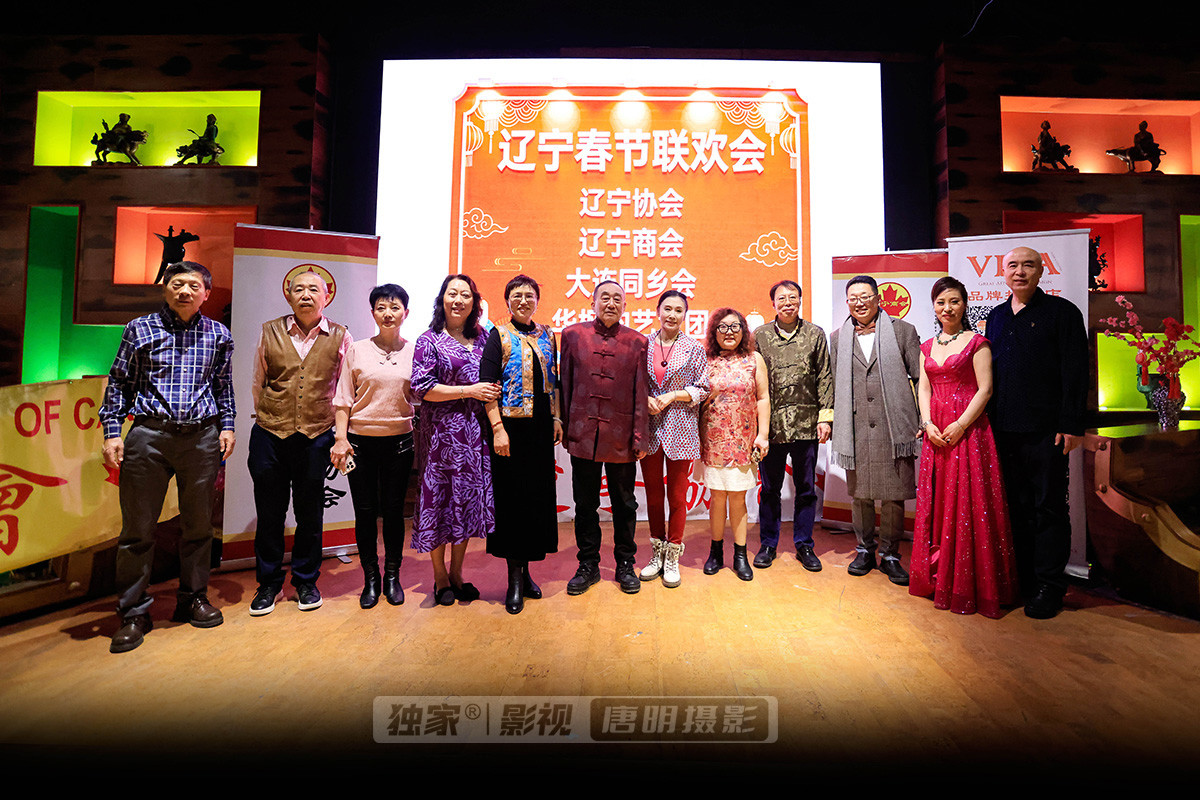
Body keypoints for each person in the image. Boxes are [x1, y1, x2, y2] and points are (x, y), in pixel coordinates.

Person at [100, 261, 235, 653]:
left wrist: (227, 426)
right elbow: (119, 383)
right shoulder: (139, 329)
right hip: (149, 437)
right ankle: (134, 613)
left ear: (206, 294)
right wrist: (112, 432)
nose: (185, 291)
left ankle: (192, 598)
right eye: (177, 284)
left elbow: (223, 387)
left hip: (202, 438)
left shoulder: (219, 334)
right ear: (165, 289)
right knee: (138, 530)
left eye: (194, 285)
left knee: (198, 526)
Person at [986, 246, 1088, 619]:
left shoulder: (1063, 313)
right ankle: (1024, 580)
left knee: (1049, 507)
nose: (1020, 271)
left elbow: (1076, 371)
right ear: (1003, 272)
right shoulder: (996, 317)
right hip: (1003, 430)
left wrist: (1071, 424)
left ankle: (1049, 585)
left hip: (1047, 432)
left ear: (1042, 271)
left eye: (1028, 265)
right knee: (1015, 507)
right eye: (1012, 265)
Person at [910, 277, 1018, 617]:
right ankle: (939, 575)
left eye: (954, 301)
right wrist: (927, 423)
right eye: (941, 302)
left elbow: (985, 390)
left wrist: (960, 425)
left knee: (968, 503)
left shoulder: (978, 343)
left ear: (964, 304)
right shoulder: (927, 346)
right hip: (936, 433)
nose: (948, 308)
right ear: (934, 307)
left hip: (968, 432)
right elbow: (923, 388)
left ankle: (970, 583)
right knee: (940, 501)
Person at [248, 269, 351, 616]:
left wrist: (339, 435)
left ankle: (306, 580)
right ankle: (268, 583)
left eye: (313, 290)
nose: (306, 295)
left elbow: (343, 389)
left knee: (310, 514)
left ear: (326, 297)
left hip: (316, 436)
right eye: (299, 289)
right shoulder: (269, 331)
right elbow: (258, 382)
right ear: (288, 295)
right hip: (269, 434)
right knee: (269, 513)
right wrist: (271, 416)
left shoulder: (341, 336)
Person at [411, 273, 499, 606]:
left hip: (475, 434)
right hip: (441, 437)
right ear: (442, 299)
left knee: (465, 502)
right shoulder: (429, 340)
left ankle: (457, 573)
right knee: (439, 502)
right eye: (453, 293)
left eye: (466, 294)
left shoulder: (484, 337)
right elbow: (422, 388)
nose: (459, 300)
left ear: (474, 302)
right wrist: (468, 391)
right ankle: (439, 576)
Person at [830, 275, 921, 587]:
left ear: (878, 298)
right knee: (861, 494)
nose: (860, 303)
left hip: (894, 425)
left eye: (865, 296)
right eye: (853, 298)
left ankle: (891, 554)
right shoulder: (838, 338)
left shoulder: (903, 331)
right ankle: (864, 550)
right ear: (847, 302)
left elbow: (920, 378)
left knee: (893, 495)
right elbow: (834, 383)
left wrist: (922, 419)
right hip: (855, 426)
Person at [559, 280, 649, 595]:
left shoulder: (637, 341)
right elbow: (565, 383)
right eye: (605, 298)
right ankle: (588, 564)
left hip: (621, 435)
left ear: (624, 305)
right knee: (585, 504)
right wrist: (565, 426)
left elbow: (641, 391)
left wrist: (640, 436)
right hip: (583, 434)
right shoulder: (573, 335)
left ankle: (625, 563)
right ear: (593, 303)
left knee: (625, 504)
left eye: (617, 299)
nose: (611, 303)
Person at [330, 284, 416, 609]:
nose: (388, 313)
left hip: (400, 443)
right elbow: (343, 399)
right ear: (373, 313)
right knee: (364, 513)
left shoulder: (415, 351)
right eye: (381, 307)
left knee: (394, 512)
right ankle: (371, 578)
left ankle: (392, 576)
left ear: (405, 313)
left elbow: (422, 394)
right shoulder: (357, 350)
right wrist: (341, 439)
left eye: (395, 307)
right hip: (359, 444)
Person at [480, 275, 562, 614]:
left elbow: (554, 381)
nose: (524, 301)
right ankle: (513, 579)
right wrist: (498, 429)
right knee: (512, 503)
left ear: (537, 300)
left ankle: (527, 574)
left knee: (534, 501)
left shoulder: (547, 335)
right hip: (510, 432)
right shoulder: (498, 335)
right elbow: (487, 386)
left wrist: (556, 418)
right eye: (517, 295)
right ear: (508, 301)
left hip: (540, 431)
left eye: (529, 295)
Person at [752, 279, 833, 572]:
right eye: (782, 298)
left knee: (806, 488)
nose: (788, 303)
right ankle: (768, 544)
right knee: (769, 489)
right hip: (771, 428)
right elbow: (752, 380)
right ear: (773, 304)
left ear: (800, 300)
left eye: (793, 297)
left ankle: (804, 544)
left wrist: (825, 417)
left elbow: (825, 376)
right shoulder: (760, 336)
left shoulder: (815, 334)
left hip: (806, 425)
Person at [638, 290, 709, 588]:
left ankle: (673, 555)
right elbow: (633, 382)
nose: (672, 315)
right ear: (658, 311)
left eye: (678, 310)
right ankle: (656, 552)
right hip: (649, 429)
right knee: (653, 496)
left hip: (681, 427)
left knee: (677, 497)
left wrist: (672, 396)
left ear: (685, 315)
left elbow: (702, 388)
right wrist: (645, 399)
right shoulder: (643, 344)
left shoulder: (694, 348)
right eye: (667, 308)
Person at [699, 308, 770, 581]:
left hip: (744, 440)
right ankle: (715, 552)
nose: (729, 332)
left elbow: (763, 398)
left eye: (735, 326)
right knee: (717, 497)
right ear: (714, 332)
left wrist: (763, 434)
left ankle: (740, 555)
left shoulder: (754, 359)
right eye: (723, 327)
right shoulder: (705, 360)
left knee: (739, 498)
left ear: (743, 330)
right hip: (713, 440)